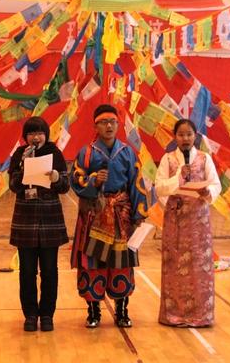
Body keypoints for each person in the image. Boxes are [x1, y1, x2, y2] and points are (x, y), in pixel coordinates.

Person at [70, 104, 148, 328]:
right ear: (95, 126)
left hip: (121, 215)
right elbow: (76, 178)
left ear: (118, 124)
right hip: (94, 213)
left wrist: (138, 214)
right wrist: (93, 180)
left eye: (113, 122)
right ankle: (93, 311)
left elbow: (137, 183)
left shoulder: (127, 153)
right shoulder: (86, 153)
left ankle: (122, 310)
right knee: (92, 262)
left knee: (121, 262)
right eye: (103, 122)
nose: (109, 126)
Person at [154, 119, 222, 327]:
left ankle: (201, 314)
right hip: (175, 219)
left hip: (198, 221)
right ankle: (174, 314)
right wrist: (178, 178)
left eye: (189, 134)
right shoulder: (168, 159)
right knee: (174, 265)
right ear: (175, 137)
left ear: (195, 136)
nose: (185, 138)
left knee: (199, 266)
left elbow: (216, 184)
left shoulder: (204, 158)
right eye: (181, 134)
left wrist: (207, 192)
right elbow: (159, 187)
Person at [7, 116, 70, 332]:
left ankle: (47, 314)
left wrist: (56, 178)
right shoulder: (19, 154)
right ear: (26, 137)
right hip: (25, 220)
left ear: (46, 135)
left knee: (50, 271)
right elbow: (13, 186)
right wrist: (23, 166)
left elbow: (65, 187)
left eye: (40, 133)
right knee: (27, 271)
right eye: (32, 133)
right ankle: (31, 315)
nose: (36, 137)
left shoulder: (55, 153)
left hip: (50, 219)